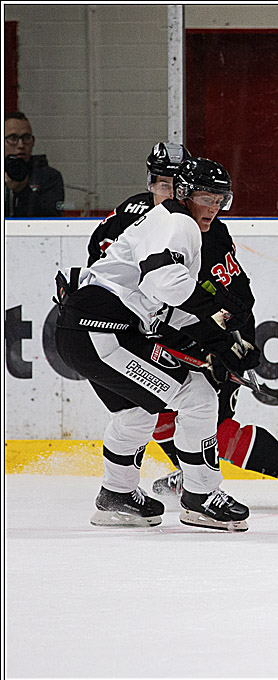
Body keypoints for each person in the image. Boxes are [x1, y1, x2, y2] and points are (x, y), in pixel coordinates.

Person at [88, 143, 278, 512]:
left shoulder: (199, 228)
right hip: (137, 333)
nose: (167, 190)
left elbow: (232, 295)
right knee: (154, 413)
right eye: (162, 183)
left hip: (196, 330)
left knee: (207, 416)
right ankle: (188, 473)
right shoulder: (136, 218)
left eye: (174, 183)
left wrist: (229, 341)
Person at [55, 157, 259, 530]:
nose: (213, 208)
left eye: (221, 200)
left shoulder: (168, 221)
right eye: (206, 198)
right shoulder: (177, 222)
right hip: (101, 331)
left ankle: (116, 496)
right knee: (197, 396)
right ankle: (200, 497)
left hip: (87, 330)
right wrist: (216, 329)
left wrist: (220, 344)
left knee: (136, 412)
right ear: (184, 193)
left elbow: (166, 304)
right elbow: (165, 283)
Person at [4, 111, 65, 217]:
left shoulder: (49, 177)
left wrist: (23, 192)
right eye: (13, 138)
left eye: (26, 138)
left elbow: (51, 219)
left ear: (33, 142)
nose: (21, 145)